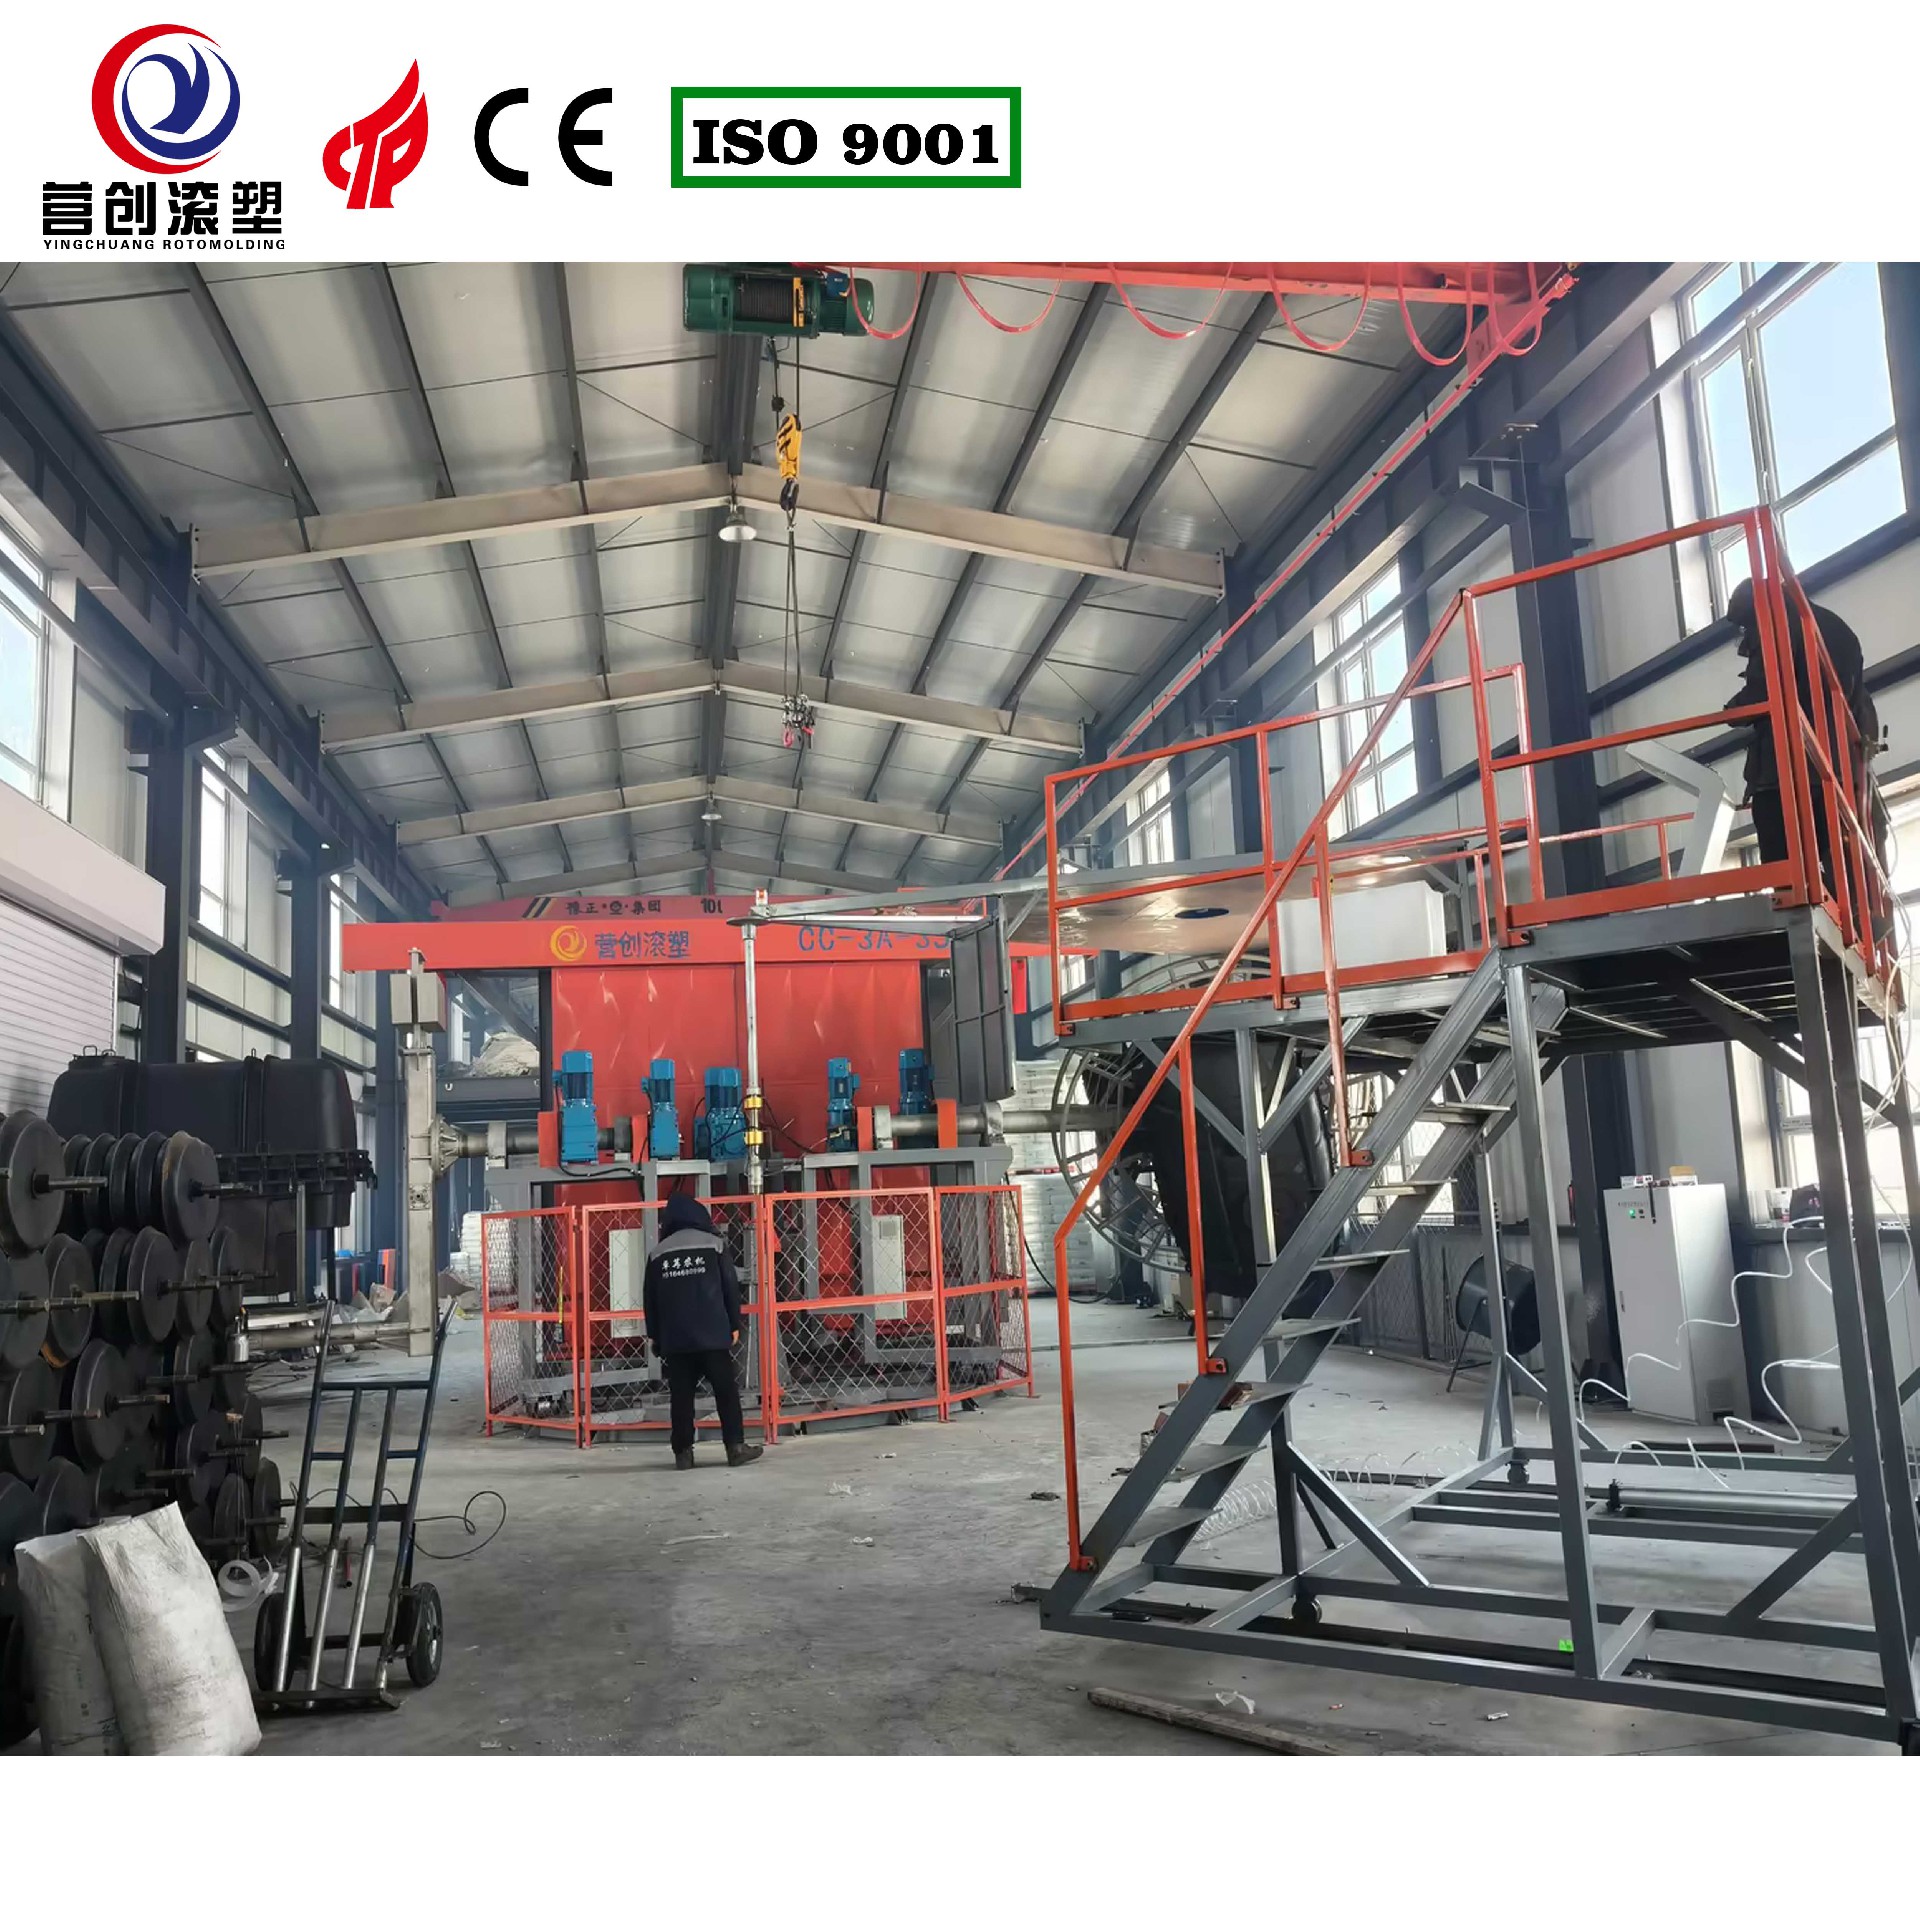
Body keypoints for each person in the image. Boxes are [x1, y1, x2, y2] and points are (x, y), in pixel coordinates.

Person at [1722, 576, 1885, 898]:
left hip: (1787, 772)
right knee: (1842, 861)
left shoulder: (1776, 625)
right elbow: (1858, 700)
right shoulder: (1833, 626)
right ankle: (1847, 908)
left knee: (1786, 869)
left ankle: (1801, 903)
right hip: (1840, 769)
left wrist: (1732, 712)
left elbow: (1762, 691)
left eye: (1746, 625)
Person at [642, 1191, 763, 1469]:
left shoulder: (658, 1253)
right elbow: (729, 1287)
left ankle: (683, 1453)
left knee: (681, 1397)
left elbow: (651, 1300)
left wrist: (656, 1336)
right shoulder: (715, 1245)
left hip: (677, 1340)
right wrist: (734, 1324)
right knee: (725, 1391)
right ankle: (735, 1447)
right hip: (713, 1336)